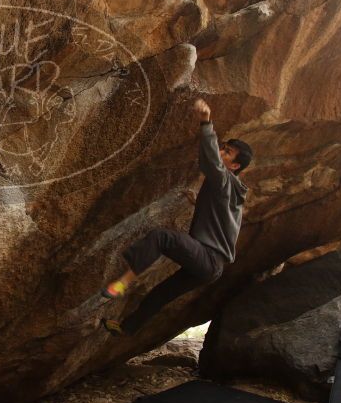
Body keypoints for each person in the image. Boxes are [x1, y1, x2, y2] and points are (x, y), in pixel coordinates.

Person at [100, 98, 253, 335]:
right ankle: (127, 328)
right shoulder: (232, 190)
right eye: (223, 147)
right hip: (210, 267)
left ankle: (122, 283)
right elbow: (221, 215)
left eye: (228, 152)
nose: (222, 152)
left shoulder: (225, 181)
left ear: (234, 166)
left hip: (208, 259)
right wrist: (199, 201)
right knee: (162, 294)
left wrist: (206, 122)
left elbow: (211, 161)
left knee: (162, 238)